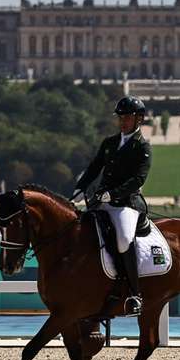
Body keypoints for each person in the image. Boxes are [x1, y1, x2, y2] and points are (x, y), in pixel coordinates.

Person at [72, 95, 152, 316]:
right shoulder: (109, 143)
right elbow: (94, 168)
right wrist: (79, 189)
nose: (123, 121)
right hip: (102, 201)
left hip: (127, 204)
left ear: (139, 120)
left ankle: (135, 294)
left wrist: (112, 194)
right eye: (121, 117)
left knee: (125, 239)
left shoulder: (142, 147)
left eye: (128, 117)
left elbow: (137, 180)